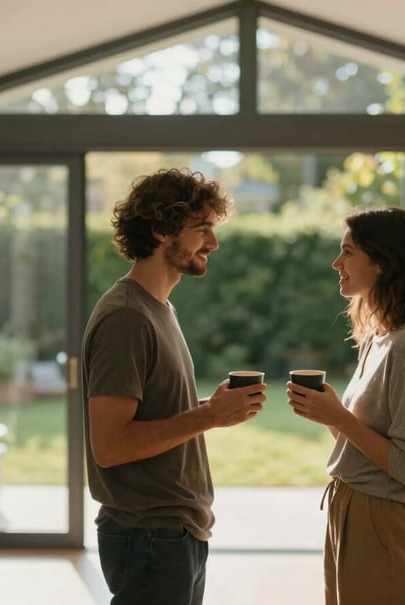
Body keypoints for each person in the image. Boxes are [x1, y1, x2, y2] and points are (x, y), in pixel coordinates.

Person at [81, 167, 267, 605]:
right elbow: (109, 445)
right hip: (149, 536)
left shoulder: (159, 308)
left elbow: (153, 415)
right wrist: (207, 415)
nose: (214, 243)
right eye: (202, 229)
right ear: (163, 230)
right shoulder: (126, 318)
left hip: (173, 533)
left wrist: (214, 410)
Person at [287, 206, 405, 605]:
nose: (337, 263)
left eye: (348, 252)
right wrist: (328, 415)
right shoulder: (379, 336)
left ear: (382, 263)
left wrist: (339, 418)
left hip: (383, 523)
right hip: (352, 512)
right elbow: (367, 442)